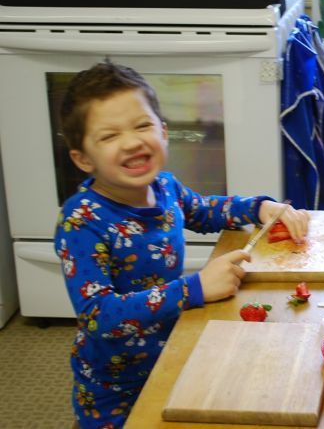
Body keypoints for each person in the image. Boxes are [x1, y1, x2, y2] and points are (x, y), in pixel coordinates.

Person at [54, 61, 309, 428]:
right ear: (82, 158)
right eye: (109, 136)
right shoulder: (81, 221)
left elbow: (206, 211)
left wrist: (260, 207)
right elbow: (98, 316)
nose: (132, 141)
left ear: (164, 132)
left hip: (174, 350)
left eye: (143, 126)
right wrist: (196, 288)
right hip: (113, 387)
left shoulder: (164, 187)